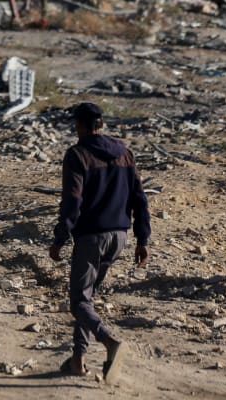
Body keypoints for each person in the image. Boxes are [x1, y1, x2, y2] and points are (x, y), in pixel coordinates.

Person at [49, 102, 151, 384]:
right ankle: (78, 360)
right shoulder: (126, 154)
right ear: (101, 125)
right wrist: (143, 239)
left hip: (91, 237)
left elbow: (73, 201)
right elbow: (140, 200)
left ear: (79, 125)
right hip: (119, 237)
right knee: (87, 298)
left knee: (79, 301)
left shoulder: (78, 155)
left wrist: (60, 238)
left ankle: (110, 343)